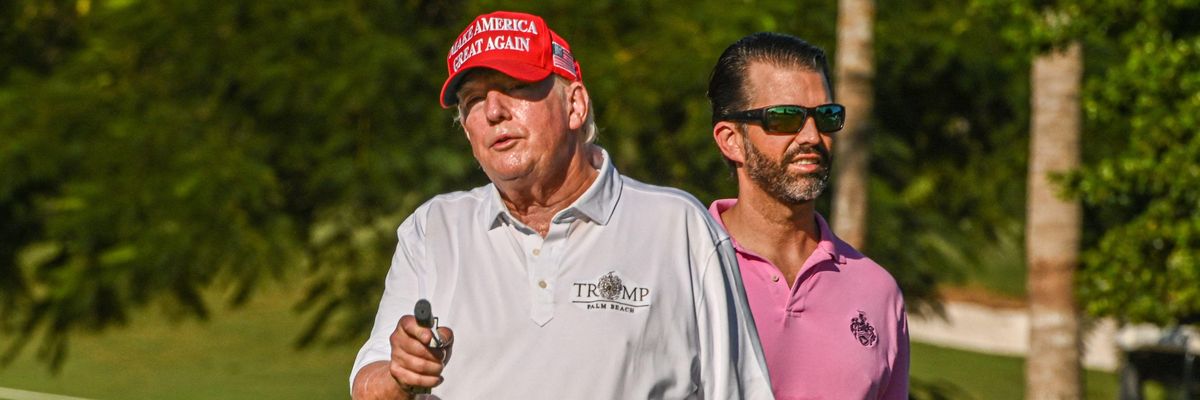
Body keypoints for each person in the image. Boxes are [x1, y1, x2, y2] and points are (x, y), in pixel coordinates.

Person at [350, 11, 772, 399]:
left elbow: (738, 389)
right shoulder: (433, 228)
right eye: (473, 101)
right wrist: (399, 376)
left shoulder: (678, 227)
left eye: (515, 88)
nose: (493, 111)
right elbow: (367, 384)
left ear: (575, 105)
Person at [705, 32, 910, 400]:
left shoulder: (879, 292)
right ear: (730, 139)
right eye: (786, 119)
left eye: (826, 117)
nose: (812, 136)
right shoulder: (682, 268)